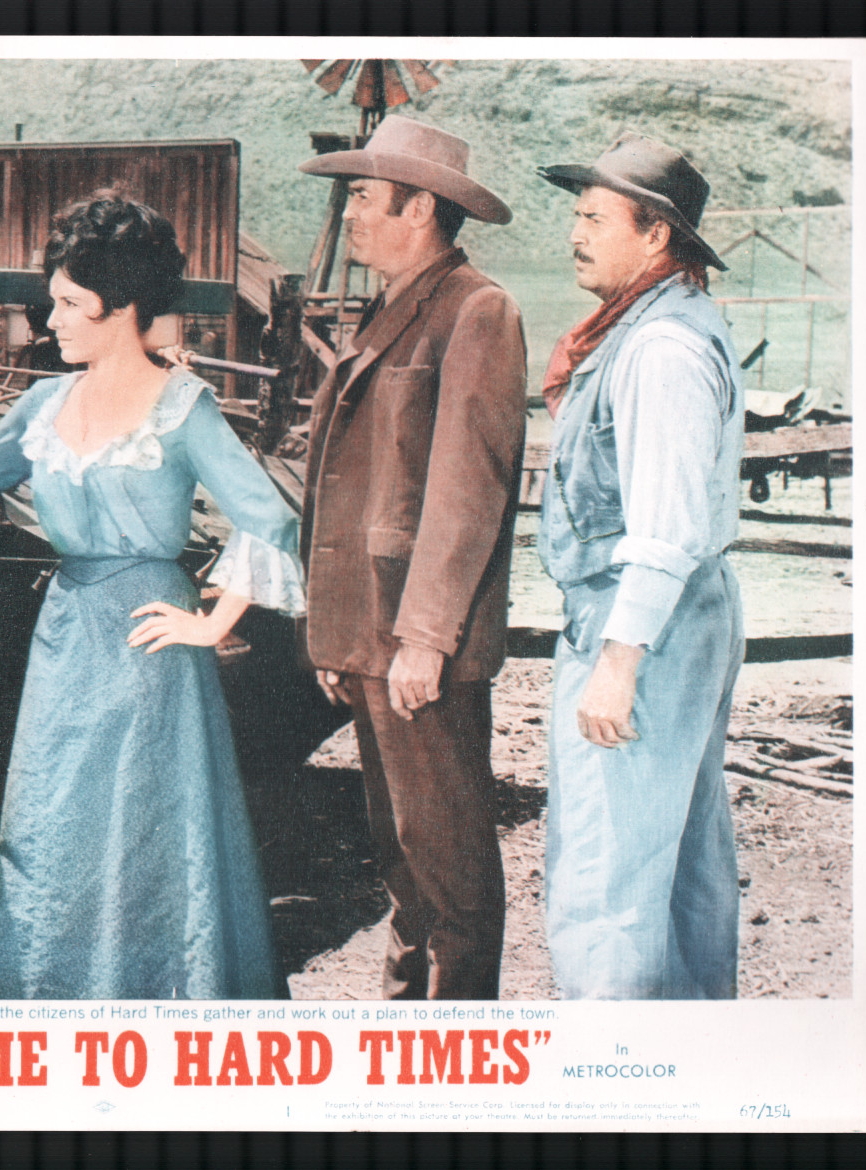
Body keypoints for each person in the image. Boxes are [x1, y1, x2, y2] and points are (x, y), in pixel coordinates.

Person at [0, 192, 306, 999]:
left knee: (142, 833)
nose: (49, 320)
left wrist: (211, 622)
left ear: (119, 307)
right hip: (64, 640)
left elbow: (270, 515)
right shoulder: (43, 404)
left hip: (149, 643)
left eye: (66, 303)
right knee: (50, 829)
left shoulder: (183, 406)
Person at [295, 116, 527, 999]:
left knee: (448, 865)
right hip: (370, 636)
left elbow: (468, 491)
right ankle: (406, 1033)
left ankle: (454, 1037)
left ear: (420, 207)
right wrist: (336, 636)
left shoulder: (475, 310)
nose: (349, 214)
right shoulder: (392, 307)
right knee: (401, 857)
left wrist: (425, 638)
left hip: (416, 642)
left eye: (363, 196)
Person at [535, 132, 746, 999]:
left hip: (642, 622)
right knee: (678, 855)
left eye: (594, 218)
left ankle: (613, 1057)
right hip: (675, 616)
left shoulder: (659, 348)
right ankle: (690, 1050)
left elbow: (664, 529)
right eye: (576, 216)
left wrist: (616, 665)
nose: (574, 234)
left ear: (654, 235)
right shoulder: (657, 325)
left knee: (606, 874)